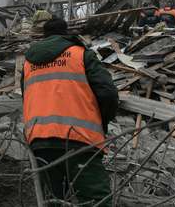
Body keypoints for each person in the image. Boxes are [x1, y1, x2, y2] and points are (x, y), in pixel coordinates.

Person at [21, 18, 119, 206]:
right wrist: (101, 122)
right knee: (97, 201)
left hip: (41, 142)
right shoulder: (81, 54)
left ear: (44, 36)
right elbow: (108, 93)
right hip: (81, 140)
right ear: (66, 34)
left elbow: (27, 100)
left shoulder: (28, 63)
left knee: (53, 201)